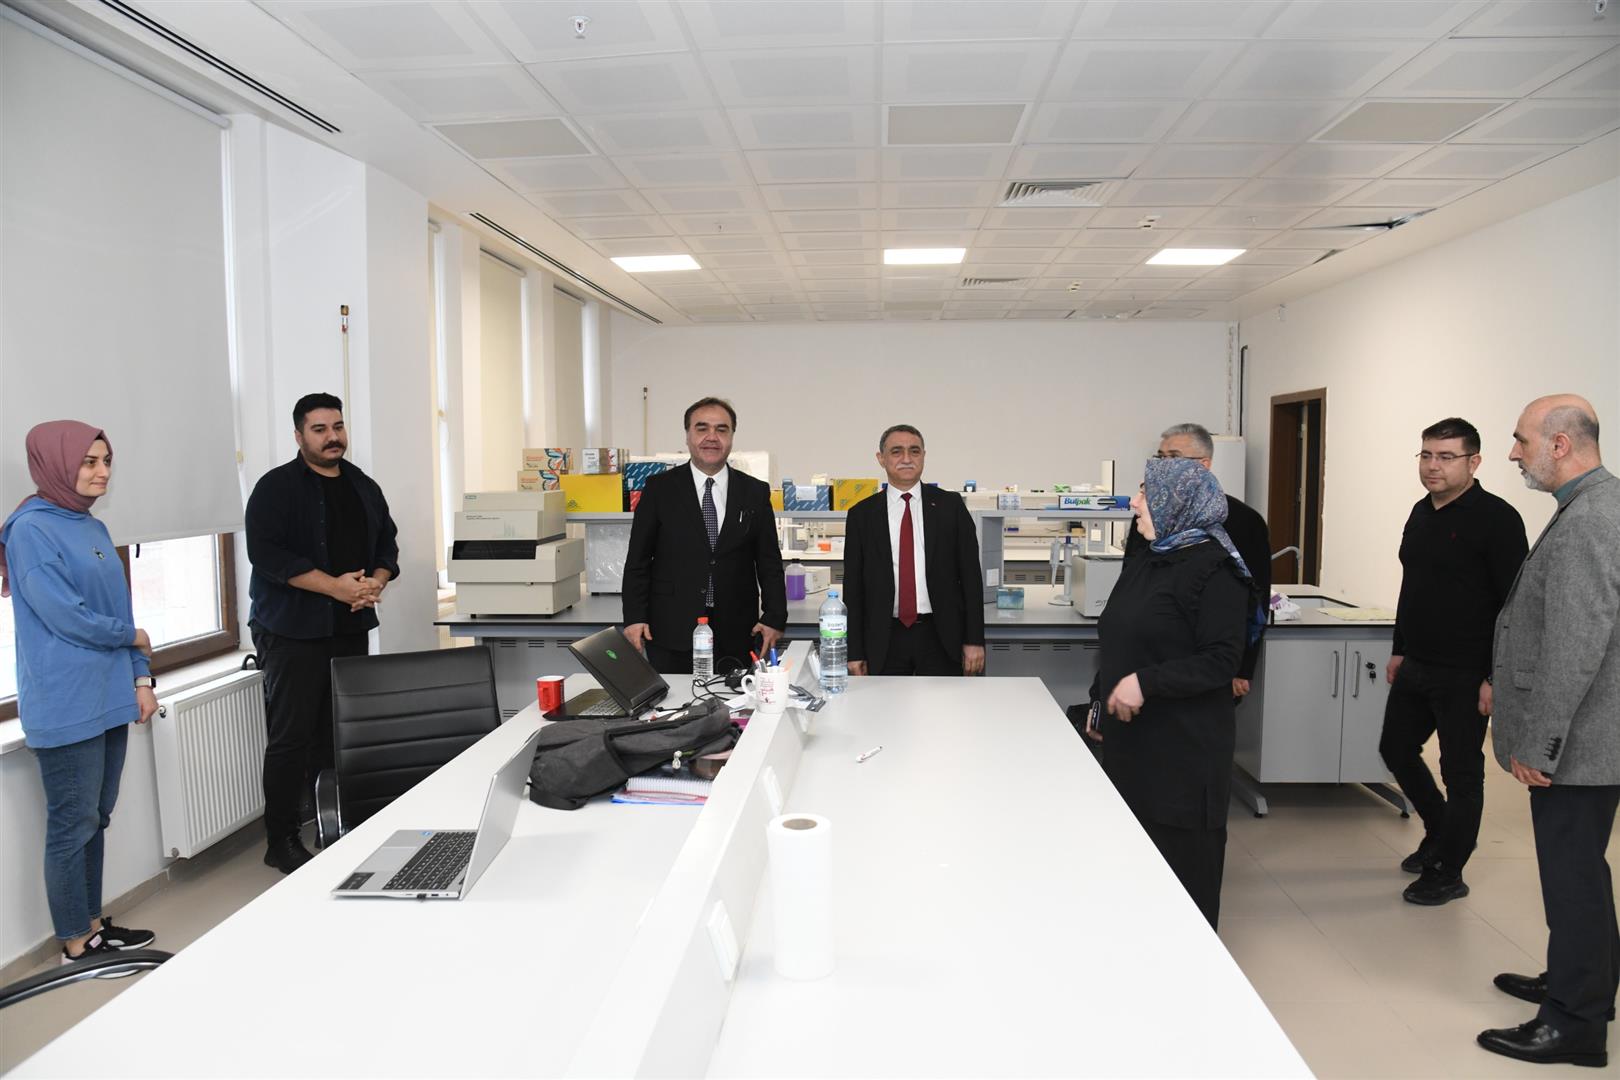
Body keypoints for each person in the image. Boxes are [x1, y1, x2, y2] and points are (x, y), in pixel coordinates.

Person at [1477, 395, 1619, 1069]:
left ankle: (1575, 1024)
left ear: (1559, 444)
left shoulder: (1591, 518)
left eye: (1520, 439)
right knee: (1580, 871)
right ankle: (1578, 980)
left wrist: (1542, 744)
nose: (1513, 452)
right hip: (1590, 734)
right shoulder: (1589, 505)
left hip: (1582, 742)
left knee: (1573, 879)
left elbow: (1574, 645)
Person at [0, 421, 158, 969]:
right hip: (65, 704)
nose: (101, 472)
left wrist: (141, 676)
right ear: (56, 464)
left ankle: (92, 926)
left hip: (110, 696)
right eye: (89, 462)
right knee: (73, 825)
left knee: (97, 817)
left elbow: (121, 610)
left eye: (106, 461)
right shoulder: (29, 530)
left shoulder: (91, 525)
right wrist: (130, 638)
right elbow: (65, 617)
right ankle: (74, 943)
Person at [245, 393, 399, 874]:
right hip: (290, 631)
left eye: (338, 426)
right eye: (319, 429)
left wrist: (375, 582)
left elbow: (387, 545)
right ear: (299, 436)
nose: (332, 437)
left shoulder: (362, 486)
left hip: (348, 626)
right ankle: (282, 840)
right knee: (291, 738)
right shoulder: (275, 488)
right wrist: (336, 587)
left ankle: (336, 823)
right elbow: (267, 555)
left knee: (340, 733)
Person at [1097, 457, 1253, 929]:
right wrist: (1099, 698)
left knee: (1185, 873)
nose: (1134, 502)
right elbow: (1118, 636)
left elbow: (1220, 660)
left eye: (1145, 492)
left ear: (1177, 501)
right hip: (1132, 742)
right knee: (1135, 865)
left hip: (1183, 751)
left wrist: (1146, 682)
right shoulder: (1149, 555)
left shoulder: (1215, 570)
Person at [1380, 417, 1527, 906]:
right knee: (1395, 749)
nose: (1433, 466)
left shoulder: (1498, 519)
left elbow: (1514, 607)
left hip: (1467, 671)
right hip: (1418, 662)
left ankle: (1448, 869)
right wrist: (1400, 647)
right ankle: (1442, 829)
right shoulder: (1421, 512)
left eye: (1446, 457)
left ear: (1474, 462)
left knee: (1461, 772)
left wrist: (1494, 677)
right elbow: (1413, 587)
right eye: (1426, 455)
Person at [622, 397, 785, 675]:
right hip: (671, 628)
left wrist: (774, 617)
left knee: (734, 700)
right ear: (687, 435)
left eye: (722, 429)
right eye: (702, 428)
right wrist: (635, 617)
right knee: (675, 700)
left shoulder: (754, 492)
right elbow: (638, 560)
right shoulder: (660, 489)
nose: (712, 437)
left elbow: (769, 562)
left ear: (732, 436)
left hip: (736, 630)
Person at [1124, 423, 1270, 698]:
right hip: (1149, 655)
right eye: (1160, 458)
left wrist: (1243, 667)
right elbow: (1130, 577)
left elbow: (1255, 598)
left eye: (1174, 458)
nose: (1163, 466)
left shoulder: (1244, 521)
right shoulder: (1148, 517)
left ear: (1203, 466)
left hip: (1204, 664)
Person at [843, 424, 985, 676]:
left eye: (914, 451)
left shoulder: (950, 506)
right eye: (896, 451)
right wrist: (854, 651)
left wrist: (974, 640)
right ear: (881, 458)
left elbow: (971, 579)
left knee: (945, 702)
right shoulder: (861, 515)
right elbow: (853, 589)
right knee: (884, 702)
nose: (907, 458)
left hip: (941, 637)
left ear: (924, 456)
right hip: (884, 638)